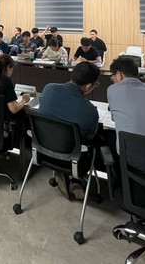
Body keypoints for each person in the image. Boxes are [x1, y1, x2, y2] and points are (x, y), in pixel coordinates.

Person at [39, 62, 101, 198]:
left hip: (43, 152)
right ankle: (75, 178)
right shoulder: (90, 111)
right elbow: (91, 136)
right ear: (89, 86)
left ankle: (64, 176)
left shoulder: (49, 88)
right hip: (72, 160)